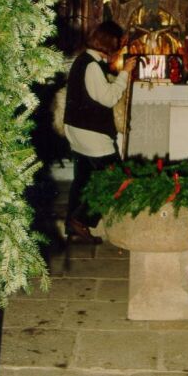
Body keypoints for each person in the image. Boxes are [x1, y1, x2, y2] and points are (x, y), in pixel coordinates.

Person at [64, 21, 136, 243]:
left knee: (83, 179)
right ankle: (81, 219)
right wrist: (124, 74)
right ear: (108, 44)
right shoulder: (92, 66)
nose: (117, 51)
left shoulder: (84, 60)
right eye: (117, 46)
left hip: (78, 130)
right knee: (115, 180)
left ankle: (72, 224)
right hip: (92, 133)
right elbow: (108, 98)